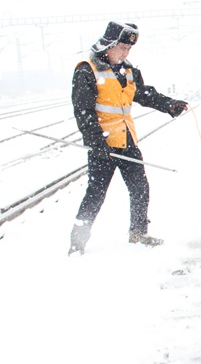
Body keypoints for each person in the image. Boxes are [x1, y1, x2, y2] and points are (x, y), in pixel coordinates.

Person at [68, 21, 188, 255]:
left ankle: (138, 233)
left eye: (129, 49)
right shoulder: (87, 70)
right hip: (103, 145)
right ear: (109, 45)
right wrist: (96, 143)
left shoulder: (128, 71)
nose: (126, 53)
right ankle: (77, 242)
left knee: (140, 188)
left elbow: (144, 94)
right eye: (122, 48)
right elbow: (83, 112)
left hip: (127, 141)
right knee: (95, 194)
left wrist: (169, 105)